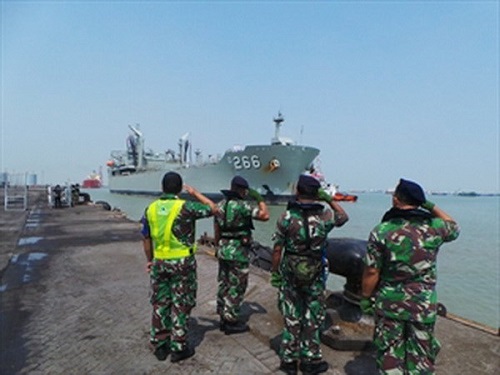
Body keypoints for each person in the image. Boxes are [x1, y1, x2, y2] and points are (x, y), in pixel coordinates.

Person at [361, 178, 460, 374]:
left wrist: (365, 297)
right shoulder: (435, 227)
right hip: (422, 304)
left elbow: (372, 271)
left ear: (397, 200)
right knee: (421, 356)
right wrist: (429, 205)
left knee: (389, 355)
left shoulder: (381, 231)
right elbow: (453, 226)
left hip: (389, 303)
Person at [271, 174, 349, 375]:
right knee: (313, 316)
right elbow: (343, 217)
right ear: (317, 194)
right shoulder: (324, 218)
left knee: (291, 314)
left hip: (290, 271)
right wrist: (329, 199)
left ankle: (288, 359)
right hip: (314, 273)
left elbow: (277, 250)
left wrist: (275, 272)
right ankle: (310, 359)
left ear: (297, 192)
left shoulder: (286, 218)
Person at [141, 172, 218, 363]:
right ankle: (178, 347)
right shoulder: (186, 207)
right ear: (180, 188)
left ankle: (160, 345)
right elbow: (214, 208)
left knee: (160, 303)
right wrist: (195, 193)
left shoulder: (150, 209)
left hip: (159, 263)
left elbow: (146, 238)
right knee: (180, 304)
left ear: (162, 188)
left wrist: (150, 260)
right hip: (183, 264)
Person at [214, 175, 270, 334]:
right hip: (238, 251)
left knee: (224, 283)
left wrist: (218, 247)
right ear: (241, 190)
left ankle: (223, 315)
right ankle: (231, 321)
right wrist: (260, 199)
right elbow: (265, 216)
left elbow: (217, 229)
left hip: (223, 248)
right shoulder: (242, 206)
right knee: (237, 285)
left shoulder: (220, 206)